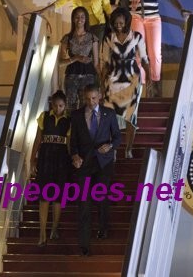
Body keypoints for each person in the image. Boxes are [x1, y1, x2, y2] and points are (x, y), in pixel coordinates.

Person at [120, 0, 189, 97]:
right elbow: (124, 4)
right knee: (137, 52)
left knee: (155, 52)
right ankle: (140, 83)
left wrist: (181, 9)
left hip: (153, 19)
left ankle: (154, 82)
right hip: (136, 18)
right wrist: (123, 24)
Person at [70, 84, 121, 256]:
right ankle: (84, 244)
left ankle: (103, 228)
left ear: (99, 96)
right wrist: (75, 155)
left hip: (103, 163)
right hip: (84, 164)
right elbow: (73, 142)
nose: (91, 102)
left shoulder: (110, 114)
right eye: (88, 99)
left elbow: (118, 137)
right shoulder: (76, 115)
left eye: (93, 98)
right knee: (83, 203)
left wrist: (111, 146)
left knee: (101, 197)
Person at [101, 7, 149, 159]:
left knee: (131, 116)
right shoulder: (108, 38)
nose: (118, 25)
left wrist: (150, 78)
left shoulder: (137, 37)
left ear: (127, 21)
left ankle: (128, 149)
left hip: (132, 80)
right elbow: (105, 63)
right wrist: (102, 83)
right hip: (113, 80)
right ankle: (113, 149)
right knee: (110, 117)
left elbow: (144, 59)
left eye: (121, 22)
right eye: (116, 22)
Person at [30, 90, 71, 247]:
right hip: (45, 158)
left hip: (61, 159)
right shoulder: (44, 117)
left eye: (61, 105)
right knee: (44, 197)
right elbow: (38, 139)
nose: (58, 108)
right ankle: (42, 233)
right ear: (51, 105)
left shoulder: (69, 120)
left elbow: (69, 143)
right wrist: (33, 159)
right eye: (55, 105)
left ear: (65, 106)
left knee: (58, 197)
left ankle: (54, 228)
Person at [59, 6, 100, 111]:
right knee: (70, 105)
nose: (80, 19)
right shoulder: (67, 38)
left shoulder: (93, 37)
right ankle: (71, 127)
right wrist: (76, 58)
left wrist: (101, 79)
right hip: (72, 75)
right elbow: (61, 62)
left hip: (89, 75)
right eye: (77, 17)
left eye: (82, 17)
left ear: (86, 19)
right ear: (73, 19)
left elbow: (96, 62)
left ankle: (85, 127)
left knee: (87, 106)